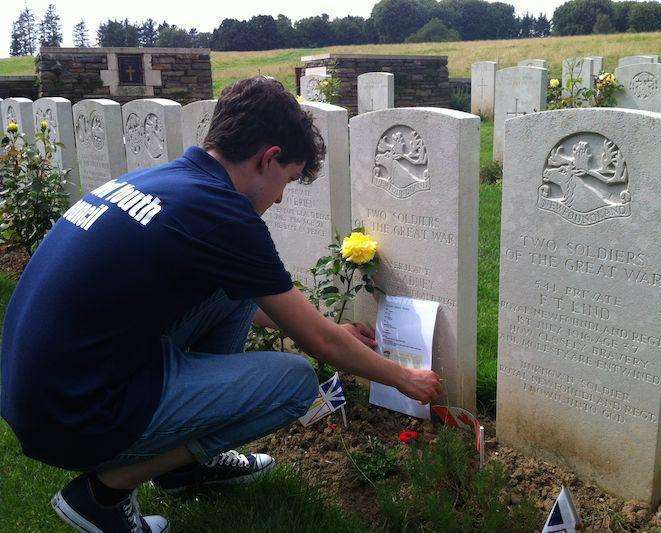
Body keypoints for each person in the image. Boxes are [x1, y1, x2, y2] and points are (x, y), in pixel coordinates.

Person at [0, 77, 442, 532]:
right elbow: (318, 345)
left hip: (40, 392)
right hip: (74, 414)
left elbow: (269, 308)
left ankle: (182, 467)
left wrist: (324, 324)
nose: (281, 197)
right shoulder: (224, 211)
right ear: (268, 158)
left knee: (234, 295)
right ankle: (102, 495)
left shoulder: (169, 181)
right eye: (286, 180)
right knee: (292, 383)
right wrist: (405, 377)